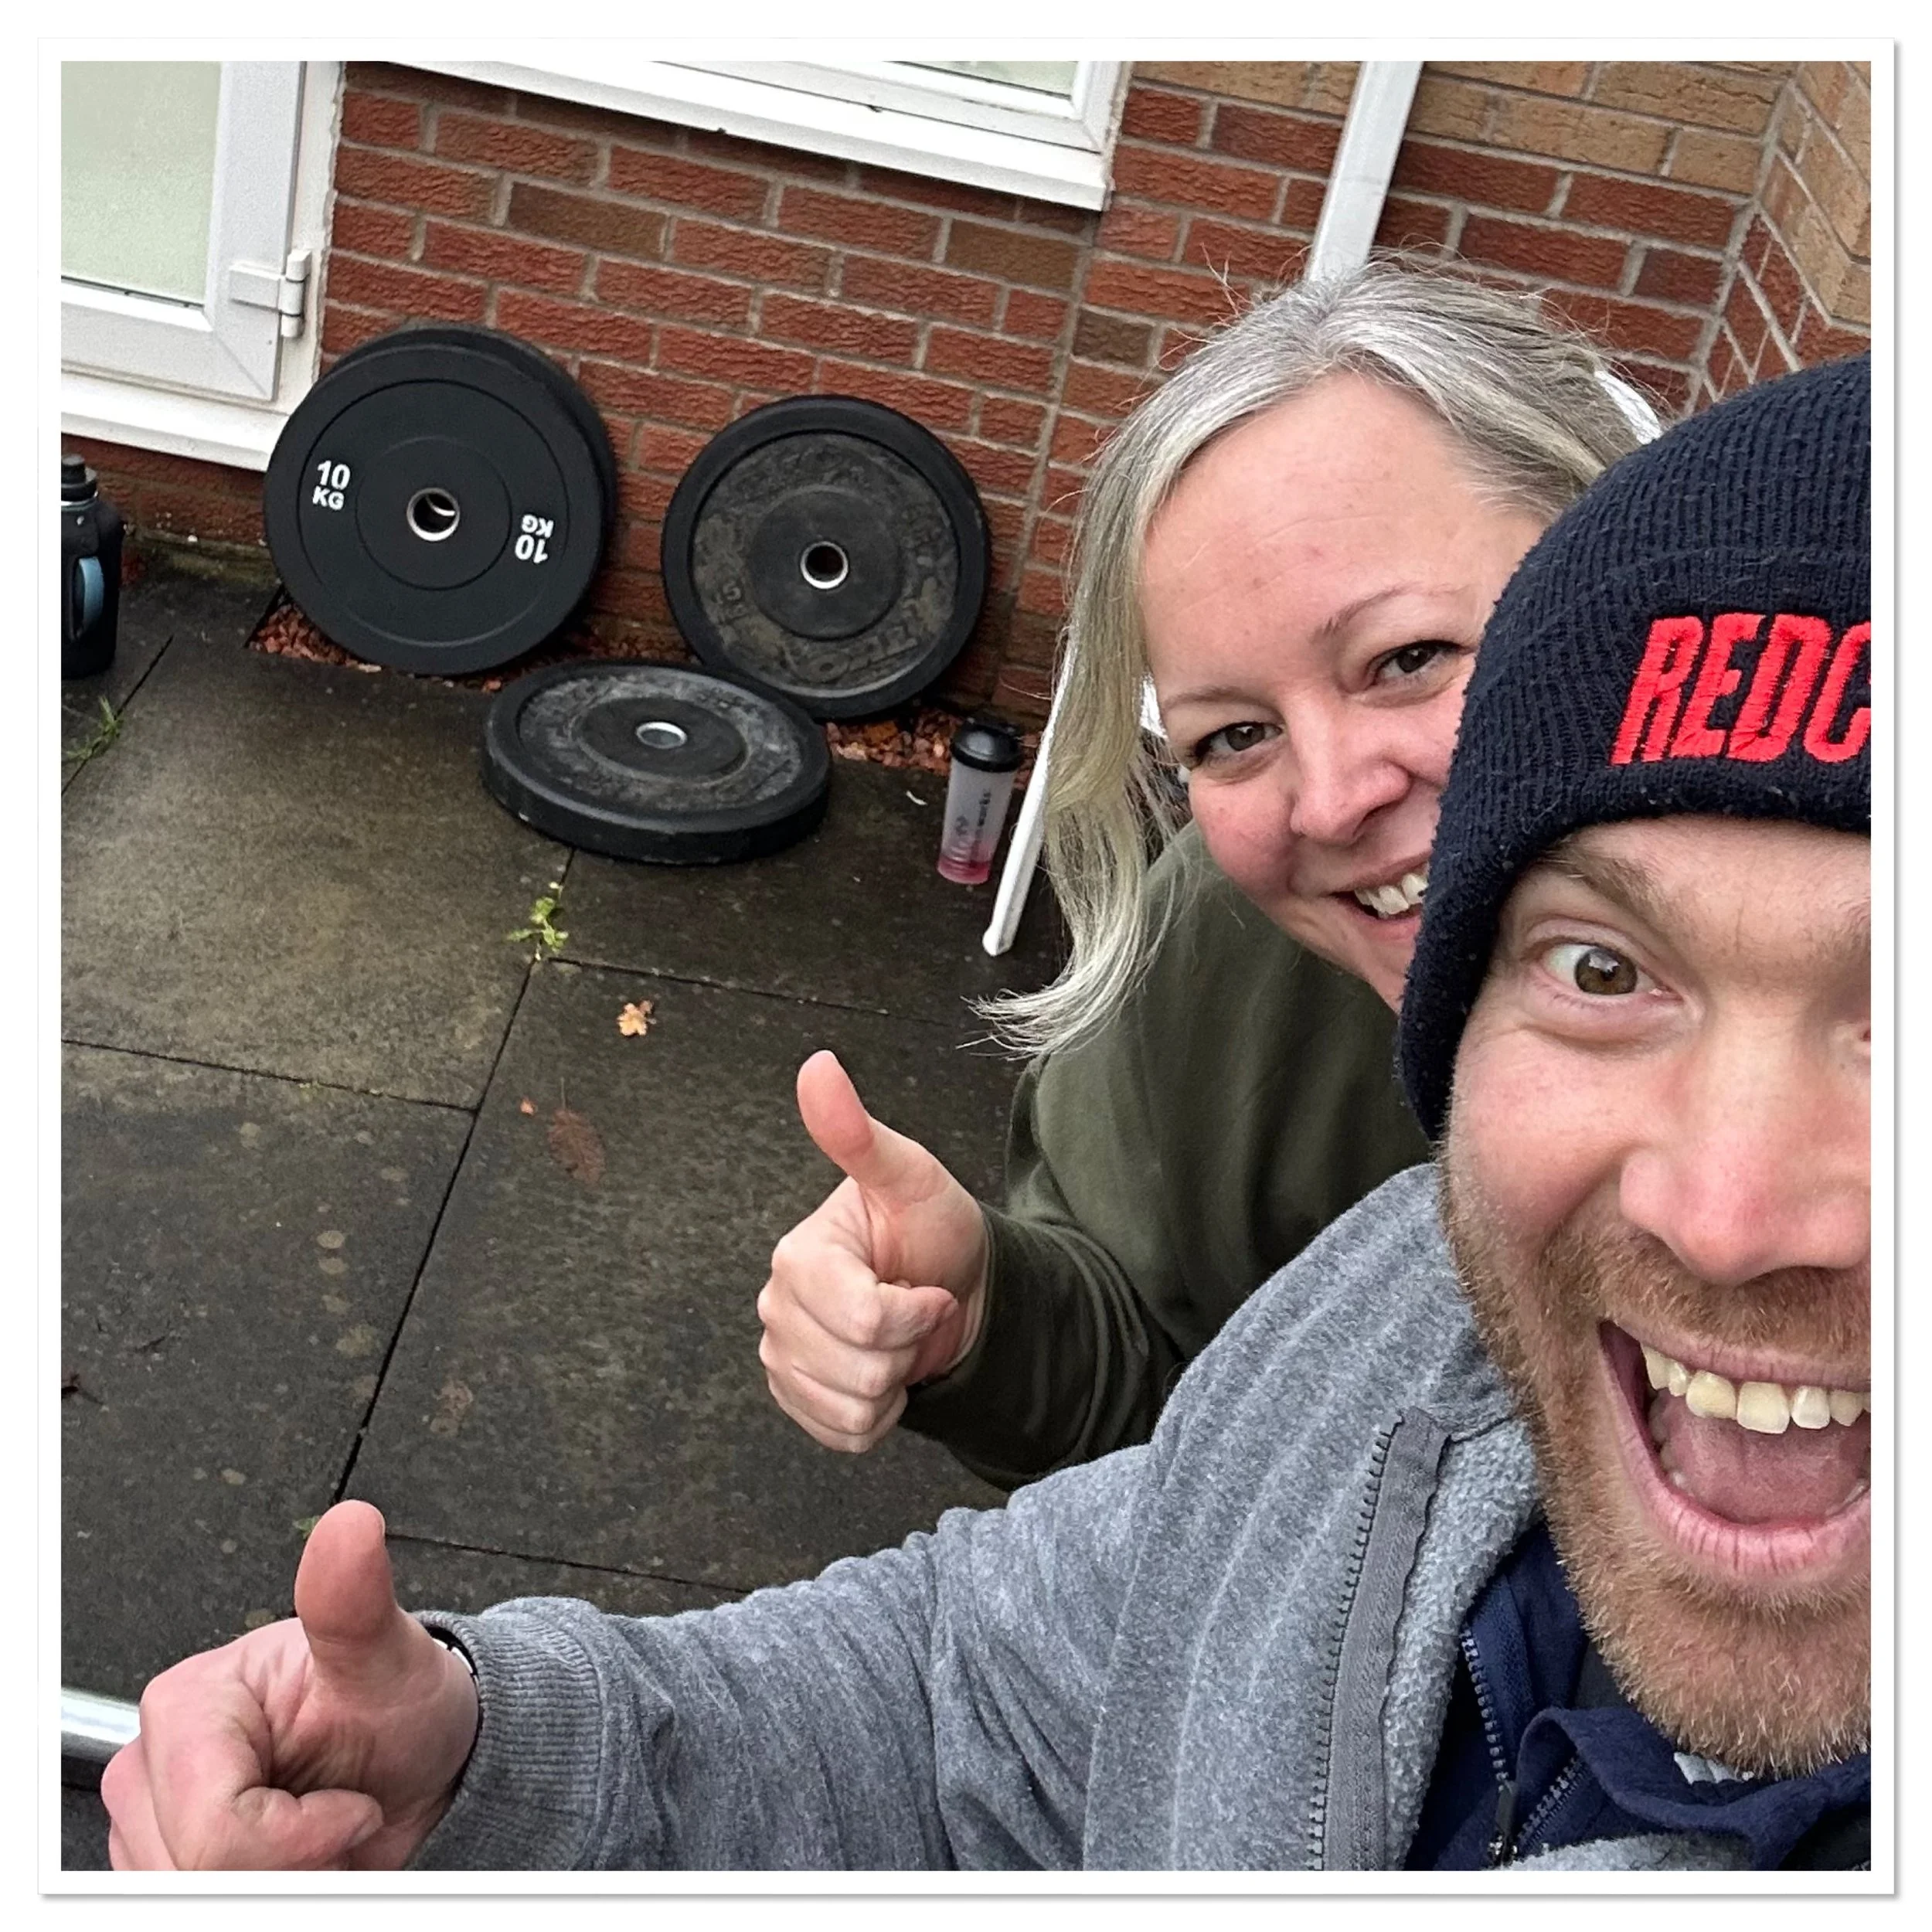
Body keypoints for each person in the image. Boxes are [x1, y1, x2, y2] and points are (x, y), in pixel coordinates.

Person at [103, 353, 1870, 1872]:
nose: (1717, 1209)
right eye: (1597, 967)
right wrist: (497, 1758)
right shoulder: (1380, 1281)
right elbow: (1059, 1653)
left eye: (1409, 657)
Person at [759, 260, 1652, 1487]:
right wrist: (985, 1316)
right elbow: (1176, 1410)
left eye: (1408, 659)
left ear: (1634, 569)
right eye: (1233, 735)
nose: (1331, 799)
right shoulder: (1218, 948)